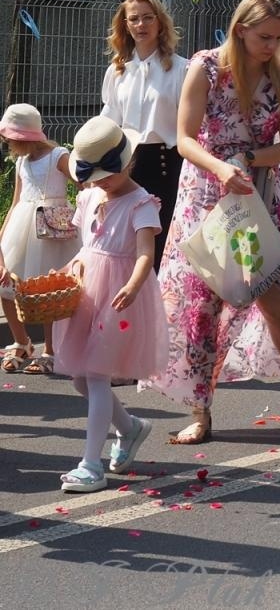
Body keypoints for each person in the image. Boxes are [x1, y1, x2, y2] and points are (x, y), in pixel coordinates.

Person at [148, 0, 280, 445]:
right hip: (204, 196)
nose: (273, 46)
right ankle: (200, 411)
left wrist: (248, 157)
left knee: (271, 295)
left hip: (255, 195)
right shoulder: (205, 68)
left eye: (279, 38)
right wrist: (221, 166)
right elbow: (184, 138)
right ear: (240, 29)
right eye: (264, 37)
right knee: (203, 305)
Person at [45, 119, 165, 492]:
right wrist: (68, 269)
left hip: (119, 299)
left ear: (127, 163)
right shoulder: (91, 196)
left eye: (106, 175)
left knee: (96, 376)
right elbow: (86, 247)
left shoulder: (141, 202)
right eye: (93, 177)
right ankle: (130, 429)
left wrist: (132, 285)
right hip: (89, 293)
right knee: (82, 379)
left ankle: (90, 464)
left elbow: (146, 254)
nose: (99, 183)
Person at [99, 0, 187, 263]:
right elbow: (108, 123)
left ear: (160, 21)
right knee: (123, 246)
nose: (141, 25)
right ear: (125, 24)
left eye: (148, 17)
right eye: (134, 19)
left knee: (159, 250)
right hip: (125, 164)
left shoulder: (181, 69)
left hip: (165, 164)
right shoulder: (116, 71)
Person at [0, 103, 77, 375]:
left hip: (51, 231)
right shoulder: (21, 161)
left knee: (47, 290)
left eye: (10, 138)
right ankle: (21, 341)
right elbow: (15, 202)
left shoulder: (58, 155)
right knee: (6, 286)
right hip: (21, 228)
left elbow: (82, 183)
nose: (7, 142)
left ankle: (51, 350)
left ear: (24, 136)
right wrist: (2, 236)